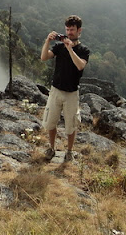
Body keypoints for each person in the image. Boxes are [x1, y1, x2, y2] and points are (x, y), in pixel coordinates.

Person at [40, 15, 90, 162]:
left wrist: (70, 49)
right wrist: (47, 41)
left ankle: (69, 151)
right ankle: (51, 148)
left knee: (71, 125)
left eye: (72, 30)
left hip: (71, 93)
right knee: (50, 122)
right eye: (67, 29)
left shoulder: (83, 50)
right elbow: (44, 57)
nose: (69, 32)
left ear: (79, 30)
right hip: (56, 90)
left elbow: (80, 65)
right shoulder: (59, 47)